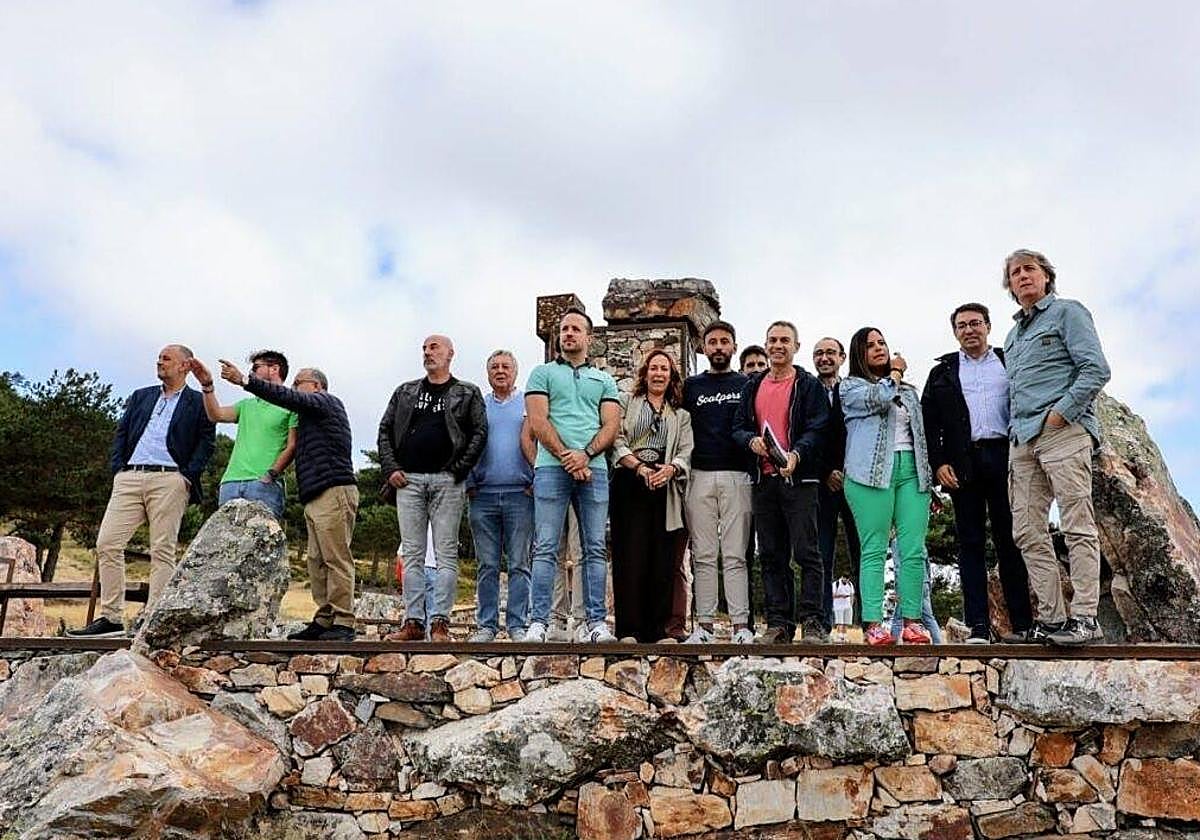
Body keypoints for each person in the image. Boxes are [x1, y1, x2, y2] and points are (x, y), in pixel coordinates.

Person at [1003, 249, 1111, 646]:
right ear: (1010, 286)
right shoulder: (1012, 337)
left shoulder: (1068, 312)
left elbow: (1096, 368)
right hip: (1022, 441)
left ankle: (1085, 619)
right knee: (1027, 532)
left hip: (1062, 432)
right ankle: (1052, 621)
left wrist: (1061, 414)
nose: (1023, 276)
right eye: (1015, 273)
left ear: (1046, 276)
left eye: (1030, 269)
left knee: (1076, 523)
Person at [69, 345, 215, 637]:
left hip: (170, 479)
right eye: (159, 358)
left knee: (162, 550)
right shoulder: (141, 396)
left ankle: (152, 620)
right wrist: (119, 469)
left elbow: (206, 442)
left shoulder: (198, 402)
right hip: (130, 476)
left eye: (166, 358)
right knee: (107, 543)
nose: (159, 362)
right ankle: (111, 618)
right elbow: (121, 433)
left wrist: (186, 477)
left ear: (185, 365)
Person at [223, 361, 359, 641]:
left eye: (300, 382)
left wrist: (247, 381)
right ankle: (324, 619)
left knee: (335, 558)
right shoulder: (308, 417)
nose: (294, 387)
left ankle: (344, 622)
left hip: (333, 489)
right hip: (315, 493)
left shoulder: (327, 402)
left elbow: (289, 398)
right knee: (316, 560)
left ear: (317, 386)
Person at [922, 303, 1033, 644]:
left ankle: (1023, 625)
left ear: (987, 325)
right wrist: (938, 463)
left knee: (1011, 541)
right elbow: (930, 423)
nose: (969, 330)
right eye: (962, 326)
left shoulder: (1008, 360)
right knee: (969, 544)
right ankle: (979, 627)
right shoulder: (942, 373)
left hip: (1006, 457)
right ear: (954, 331)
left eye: (975, 324)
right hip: (963, 464)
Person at [378, 335, 487, 643]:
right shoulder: (405, 391)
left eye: (434, 347)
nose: (427, 352)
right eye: (424, 348)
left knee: (445, 554)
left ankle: (439, 623)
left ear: (450, 354)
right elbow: (385, 430)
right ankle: (413, 623)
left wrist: (457, 471)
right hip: (408, 480)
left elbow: (479, 433)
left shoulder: (467, 392)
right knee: (412, 554)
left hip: (447, 481)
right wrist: (391, 469)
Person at [524, 309, 621, 644]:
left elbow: (611, 424)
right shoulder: (542, 373)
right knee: (546, 546)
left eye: (575, 329)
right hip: (552, 468)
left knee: (594, 547)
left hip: (593, 469)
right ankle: (538, 622)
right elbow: (538, 421)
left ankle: (595, 623)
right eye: (564, 329)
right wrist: (568, 457)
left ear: (588, 338)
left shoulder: (604, 380)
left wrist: (586, 455)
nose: (568, 334)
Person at [732, 321, 830, 644]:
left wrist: (797, 455)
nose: (778, 346)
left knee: (807, 552)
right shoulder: (752, 386)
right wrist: (750, 441)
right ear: (765, 344)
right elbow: (738, 427)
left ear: (796, 346)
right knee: (772, 555)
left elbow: (818, 428)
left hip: (799, 480)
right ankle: (778, 624)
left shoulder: (808, 385)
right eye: (772, 340)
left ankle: (813, 621)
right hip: (764, 480)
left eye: (784, 340)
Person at [840, 327, 934, 646]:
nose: (879, 348)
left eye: (882, 342)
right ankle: (872, 624)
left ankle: (912, 621)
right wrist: (894, 371)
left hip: (912, 471)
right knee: (874, 548)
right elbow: (879, 399)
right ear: (859, 353)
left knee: (913, 550)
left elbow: (921, 435)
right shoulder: (850, 387)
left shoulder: (908, 391)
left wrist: (928, 478)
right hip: (869, 474)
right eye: (871, 345)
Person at [611, 349, 694, 643]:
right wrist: (638, 468)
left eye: (665, 369)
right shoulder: (626, 403)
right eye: (654, 368)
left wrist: (671, 469)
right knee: (630, 556)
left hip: (665, 486)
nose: (659, 374)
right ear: (645, 374)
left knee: (663, 558)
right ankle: (629, 630)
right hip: (631, 482)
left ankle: (659, 630)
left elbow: (686, 451)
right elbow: (616, 439)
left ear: (671, 377)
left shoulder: (680, 415)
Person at [683, 320, 753, 644]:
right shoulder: (691, 387)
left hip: (738, 475)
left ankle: (741, 626)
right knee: (704, 554)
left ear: (733, 347)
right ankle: (705, 625)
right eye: (713, 342)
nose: (719, 347)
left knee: (736, 553)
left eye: (725, 341)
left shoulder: (747, 384)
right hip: (699, 474)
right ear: (704, 347)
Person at [465, 350, 536, 642]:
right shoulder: (477, 406)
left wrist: (536, 479)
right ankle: (487, 626)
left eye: (506, 366)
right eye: (494, 366)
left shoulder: (528, 404)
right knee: (487, 565)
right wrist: (469, 482)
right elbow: (464, 443)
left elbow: (541, 439)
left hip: (521, 493)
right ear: (488, 373)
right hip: (482, 495)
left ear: (515, 372)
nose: (500, 371)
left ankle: (518, 625)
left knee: (520, 563)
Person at [187, 351, 297, 520]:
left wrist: (271, 475)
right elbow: (216, 415)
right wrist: (207, 385)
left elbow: (293, 445)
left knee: (259, 544)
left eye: (256, 367)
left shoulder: (291, 405)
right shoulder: (246, 405)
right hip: (230, 483)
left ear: (274, 369)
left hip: (264, 486)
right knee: (226, 545)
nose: (251, 373)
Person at [813, 336, 862, 632]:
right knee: (820, 553)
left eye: (830, 352)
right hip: (821, 483)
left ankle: (869, 620)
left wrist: (846, 470)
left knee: (863, 550)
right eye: (819, 353)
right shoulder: (807, 391)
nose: (825, 358)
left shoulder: (853, 390)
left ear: (842, 357)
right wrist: (825, 472)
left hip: (855, 480)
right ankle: (822, 621)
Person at [831, 575, 855, 643]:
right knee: (840, 622)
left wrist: (851, 604)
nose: (846, 580)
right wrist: (841, 596)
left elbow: (852, 594)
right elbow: (832, 595)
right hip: (838, 606)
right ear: (842, 577)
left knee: (846, 622)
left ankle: (844, 636)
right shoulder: (836, 584)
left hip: (847, 606)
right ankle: (839, 636)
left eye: (848, 579)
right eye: (845, 579)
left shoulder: (850, 584)